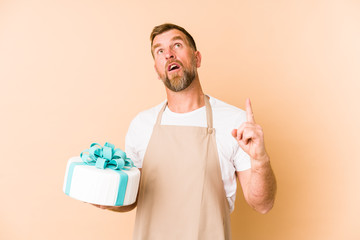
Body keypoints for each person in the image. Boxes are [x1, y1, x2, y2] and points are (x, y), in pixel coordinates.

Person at [94, 23, 277, 240]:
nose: (169, 54)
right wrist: (106, 199)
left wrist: (260, 159)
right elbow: (132, 198)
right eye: (159, 51)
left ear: (197, 58)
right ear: (157, 70)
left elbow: (262, 204)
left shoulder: (234, 123)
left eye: (177, 45)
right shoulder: (141, 124)